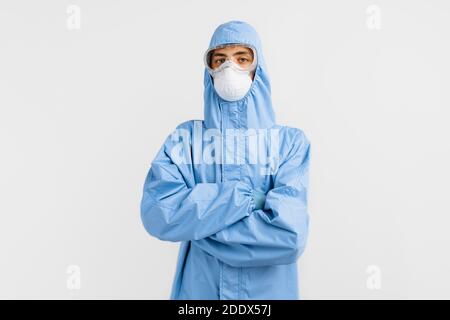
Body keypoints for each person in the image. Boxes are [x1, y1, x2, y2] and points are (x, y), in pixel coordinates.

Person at [140, 20, 311, 300]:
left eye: (242, 58)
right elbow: (157, 214)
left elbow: (289, 238)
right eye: (219, 60)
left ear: (259, 68)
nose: (229, 68)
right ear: (208, 70)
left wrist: (199, 226)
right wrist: (247, 199)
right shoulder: (186, 141)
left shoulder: (289, 144)